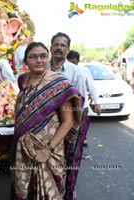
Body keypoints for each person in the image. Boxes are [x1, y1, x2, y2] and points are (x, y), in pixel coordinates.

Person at [11, 42, 83, 199]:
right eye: (33, 57)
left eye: (43, 56)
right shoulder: (22, 80)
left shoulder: (59, 84)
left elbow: (68, 122)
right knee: (25, 189)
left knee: (50, 194)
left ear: (48, 58)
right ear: (26, 61)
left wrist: (47, 150)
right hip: (24, 149)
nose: (39, 60)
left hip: (49, 151)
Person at [49, 32, 89, 199]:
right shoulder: (42, 67)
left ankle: (69, 188)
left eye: (62, 45)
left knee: (70, 158)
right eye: (56, 44)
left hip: (72, 121)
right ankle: (51, 188)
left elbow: (80, 100)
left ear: (68, 49)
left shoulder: (75, 72)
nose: (59, 48)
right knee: (50, 156)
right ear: (51, 47)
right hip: (48, 123)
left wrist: (73, 128)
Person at [67, 50, 101, 116]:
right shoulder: (64, 71)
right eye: (69, 63)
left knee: (82, 125)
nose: (72, 65)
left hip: (82, 106)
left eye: (73, 63)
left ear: (78, 61)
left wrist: (97, 103)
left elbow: (91, 86)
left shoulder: (84, 70)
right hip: (66, 108)